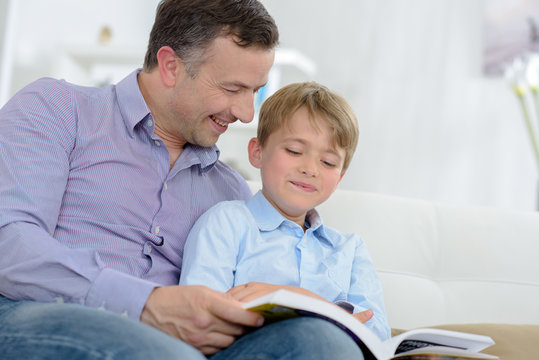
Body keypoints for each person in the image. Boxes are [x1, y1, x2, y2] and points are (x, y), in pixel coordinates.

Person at [0, 1, 365, 359]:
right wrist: (146, 303)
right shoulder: (57, 108)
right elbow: (10, 243)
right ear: (171, 66)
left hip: (189, 347)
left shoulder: (231, 192)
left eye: (255, 91)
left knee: (324, 343)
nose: (245, 112)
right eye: (233, 88)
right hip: (44, 315)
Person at [180, 81, 391, 341]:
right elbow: (200, 315)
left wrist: (299, 300)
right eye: (294, 150)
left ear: (340, 177)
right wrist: (335, 315)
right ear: (257, 152)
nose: (310, 169)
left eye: (328, 162)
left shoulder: (350, 249)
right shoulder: (226, 223)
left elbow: (377, 334)